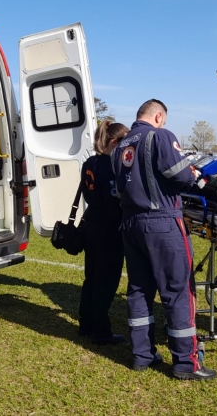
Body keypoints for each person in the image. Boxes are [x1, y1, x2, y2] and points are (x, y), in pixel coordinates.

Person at [112, 99, 217, 380]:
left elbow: (119, 188)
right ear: (158, 116)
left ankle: (142, 355)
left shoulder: (120, 145)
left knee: (139, 289)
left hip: (130, 223)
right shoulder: (160, 136)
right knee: (178, 291)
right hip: (161, 222)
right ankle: (186, 362)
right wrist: (194, 174)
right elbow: (181, 175)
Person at [78, 119, 130, 345]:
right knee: (106, 282)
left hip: (92, 225)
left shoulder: (89, 162)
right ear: (115, 141)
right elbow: (115, 201)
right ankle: (100, 330)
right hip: (109, 230)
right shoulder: (113, 166)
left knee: (91, 278)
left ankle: (85, 324)